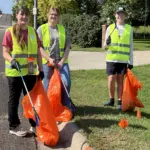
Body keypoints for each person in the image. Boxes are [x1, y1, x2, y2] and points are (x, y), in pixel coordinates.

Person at [2, 6, 44, 137]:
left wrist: (41, 69)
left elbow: (37, 52)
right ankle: (13, 126)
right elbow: (5, 52)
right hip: (15, 72)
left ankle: (34, 125)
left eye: (26, 15)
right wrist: (12, 60)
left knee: (31, 99)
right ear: (17, 15)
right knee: (14, 100)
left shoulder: (32, 31)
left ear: (29, 17)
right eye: (22, 14)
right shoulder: (10, 31)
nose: (24, 17)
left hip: (30, 70)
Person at [37, 7, 72, 110]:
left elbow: (67, 47)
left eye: (55, 15)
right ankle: (47, 108)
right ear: (48, 15)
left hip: (61, 62)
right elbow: (39, 47)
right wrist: (49, 59)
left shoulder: (63, 29)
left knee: (66, 82)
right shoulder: (41, 29)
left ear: (58, 17)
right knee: (47, 86)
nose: (53, 16)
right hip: (47, 63)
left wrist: (62, 61)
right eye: (51, 14)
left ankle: (65, 106)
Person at [104, 7, 133, 110]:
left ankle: (120, 101)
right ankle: (111, 100)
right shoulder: (110, 28)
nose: (120, 15)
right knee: (111, 79)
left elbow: (131, 46)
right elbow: (104, 47)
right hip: (111, 59)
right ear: (115, 15)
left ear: (125, 16)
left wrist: (131, 61)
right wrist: (106, 43)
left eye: (122, 14)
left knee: (120, 81)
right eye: (118, 13)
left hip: (123, 60)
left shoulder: (129, 28)